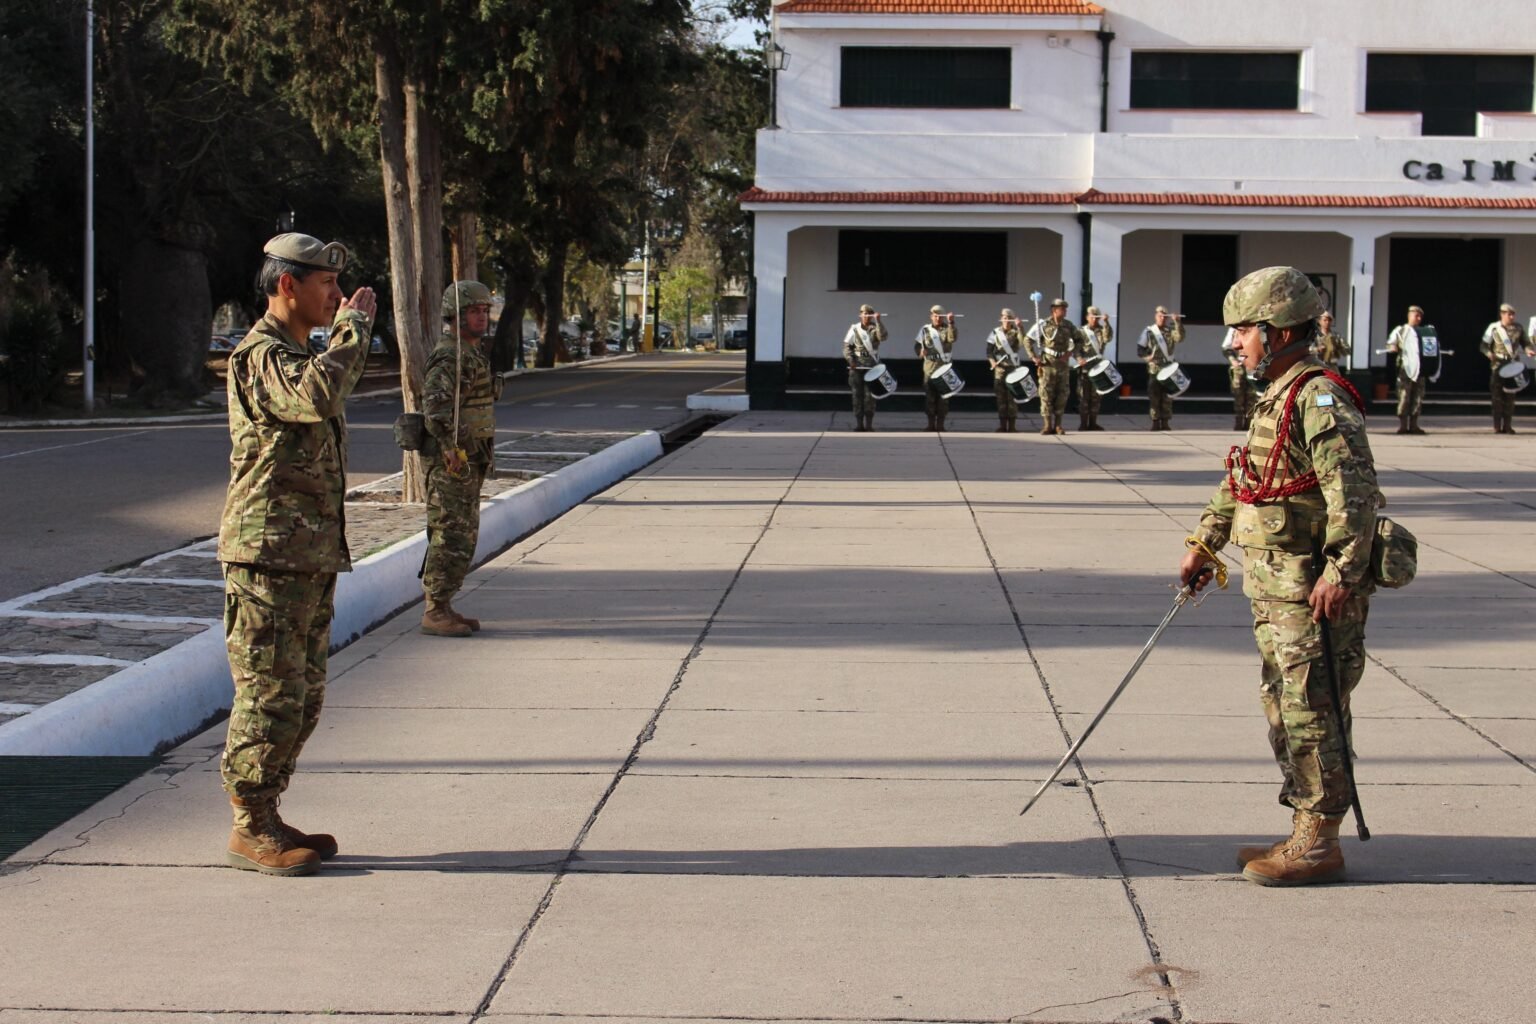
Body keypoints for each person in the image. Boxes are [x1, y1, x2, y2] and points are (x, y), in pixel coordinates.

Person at [1179, 266, 1383, 888]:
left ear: (1279, 331)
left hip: (1308, 588)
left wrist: (1343, 572)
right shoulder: (1277, 393)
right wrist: (1205, 542)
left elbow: (1355, 493)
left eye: (1243, 331)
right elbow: (1245, 479)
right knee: (1283, 704)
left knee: (1312, 707)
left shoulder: (1318, 396)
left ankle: (1319, 841)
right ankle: (1303, 824)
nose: (1234, 343)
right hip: (1275, 586)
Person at [218, 233, 376, 876]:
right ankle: (249, 825)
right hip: (266, 556)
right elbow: (316, 397)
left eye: (339, 289)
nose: (337, 297)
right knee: (268, 696)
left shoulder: (299, 353)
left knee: (303, 697)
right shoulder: (261, 356)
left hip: (305, 555)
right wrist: (353, 331)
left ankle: (270, 811)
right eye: (326, 286)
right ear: (288, 286)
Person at [420, 281, 500, 636]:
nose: (481, 317)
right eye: (473, 311)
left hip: (470, 459)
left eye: (484, 310)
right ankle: (434, 610)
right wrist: (456, 446)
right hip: (452, 461)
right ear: (455, 316)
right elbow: (436, 407)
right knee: (450, 535)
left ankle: (445, 604)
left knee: (462, 536)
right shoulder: (452, 355)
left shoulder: (470, 353)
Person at [1025, 298, 1085, 435]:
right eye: (1062, 308)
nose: (1065, 311)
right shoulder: (1043, 325)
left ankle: (1058, 425)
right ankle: (1047, 425)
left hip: (1063, 365)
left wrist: (1070, 353)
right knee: (1046, 394)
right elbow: (1027, 339)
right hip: (1047, 364)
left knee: (1062, 394)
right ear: (1054, 310)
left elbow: (1080, 340)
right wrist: (1034, 357)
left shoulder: (1068, 325)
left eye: (1065, 308)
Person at [1479, 302, 1534, 435]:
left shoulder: (1518, 328)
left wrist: (1528, 350)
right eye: (1509, 314)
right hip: (1497, 365)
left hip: (1513, 365)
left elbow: (1526, 343)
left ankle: (1508, 426)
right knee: (1496, 397)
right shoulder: (1494, 328)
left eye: (1513, 314)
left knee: (1510, 397)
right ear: (1502, 314)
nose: (1512, 317)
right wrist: (1488, 354)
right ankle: (1497, 426)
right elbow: (1484, 345)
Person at [1138, 306, 1184, 431]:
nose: (1162, 318)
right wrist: (1147, 358)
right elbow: (1140, 349)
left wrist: (1177, 322)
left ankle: (1165, 422)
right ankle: (1155, 421)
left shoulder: (1170, 331)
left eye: (1164, 316)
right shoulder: (1149, 331)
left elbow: (1180, 338)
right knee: (1154, 395)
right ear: (1155, 316)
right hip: (1155, 368)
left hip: (1169, 367)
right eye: (1159, 316)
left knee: (1168, 396)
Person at [843, 304, 887, 432]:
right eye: (863, 313)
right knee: (857, 395)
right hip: (857, 367)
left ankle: (869, 424)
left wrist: (879, 321)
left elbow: (883, 337)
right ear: (860, 315)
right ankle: (859, 423)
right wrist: (851, 361)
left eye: (868, 314)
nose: (865, 316)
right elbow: (846, 347)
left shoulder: (875, 328)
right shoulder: (854, 329)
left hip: (872, 366)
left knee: (870, 396)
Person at [1385, 305, 1428, 435]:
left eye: (1420, 316)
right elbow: (1390, 342)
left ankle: (1414, 425)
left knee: (1418, 397)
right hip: (1405, 369)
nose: (1419, 318)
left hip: (1420, 369)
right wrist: (1393, 347)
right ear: (1409, 316)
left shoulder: (1424, 331)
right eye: (1416, 316)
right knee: (1404, 397)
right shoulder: (1401, 330)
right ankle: (1403, 425)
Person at [914, 304, 957, 432]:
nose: (937, 318)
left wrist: (951, 322)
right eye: (935, 315)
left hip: (944, 368)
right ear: (931, 316)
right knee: (930, 398)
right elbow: (917, 345)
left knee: (944, 398)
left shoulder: (948, 328)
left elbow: (952, 338)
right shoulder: (925, 330)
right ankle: (931, 424)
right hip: (929, 368)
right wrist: (920, 352)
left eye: (939, 316)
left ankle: (941, 425)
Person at [986, 307, 1025, 433]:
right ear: (1001, 318)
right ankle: (1002, 425)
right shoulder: (995, 332)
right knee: (1001, 398)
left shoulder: (1015, 332)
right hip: (1000, 369)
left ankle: (1012, 426)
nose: (1006, 320)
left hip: (1012, 368)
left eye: (1009, 318)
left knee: (1012, 398)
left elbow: (1022, 343)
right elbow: (989, 350)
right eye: (1004, 317)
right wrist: (992, 362)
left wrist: (1020, 327)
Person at [1078, 305, 1113, 431]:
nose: (1094, 319)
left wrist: (1106, 322)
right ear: (1087, 317)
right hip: (1086, 368)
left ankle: (1093, 423)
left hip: (1098, 368)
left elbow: (1108, 338)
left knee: (1096, 397)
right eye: (1092, 317)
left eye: (1096, 317)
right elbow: (1075, 349)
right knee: (1084, 397)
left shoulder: (1102, 330)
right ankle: (1083, 423)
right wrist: (1079, 359)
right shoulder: (1081, 332)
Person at [1221, 326, 1254, 431]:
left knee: (1252, 395)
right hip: (1238, 367)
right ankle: (1239, 421)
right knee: (1238, 394)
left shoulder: (1255, 327)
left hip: (1252, 366)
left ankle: (1249, 422)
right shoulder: (1234, 329)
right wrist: (1233, 360)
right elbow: (1226, 348)